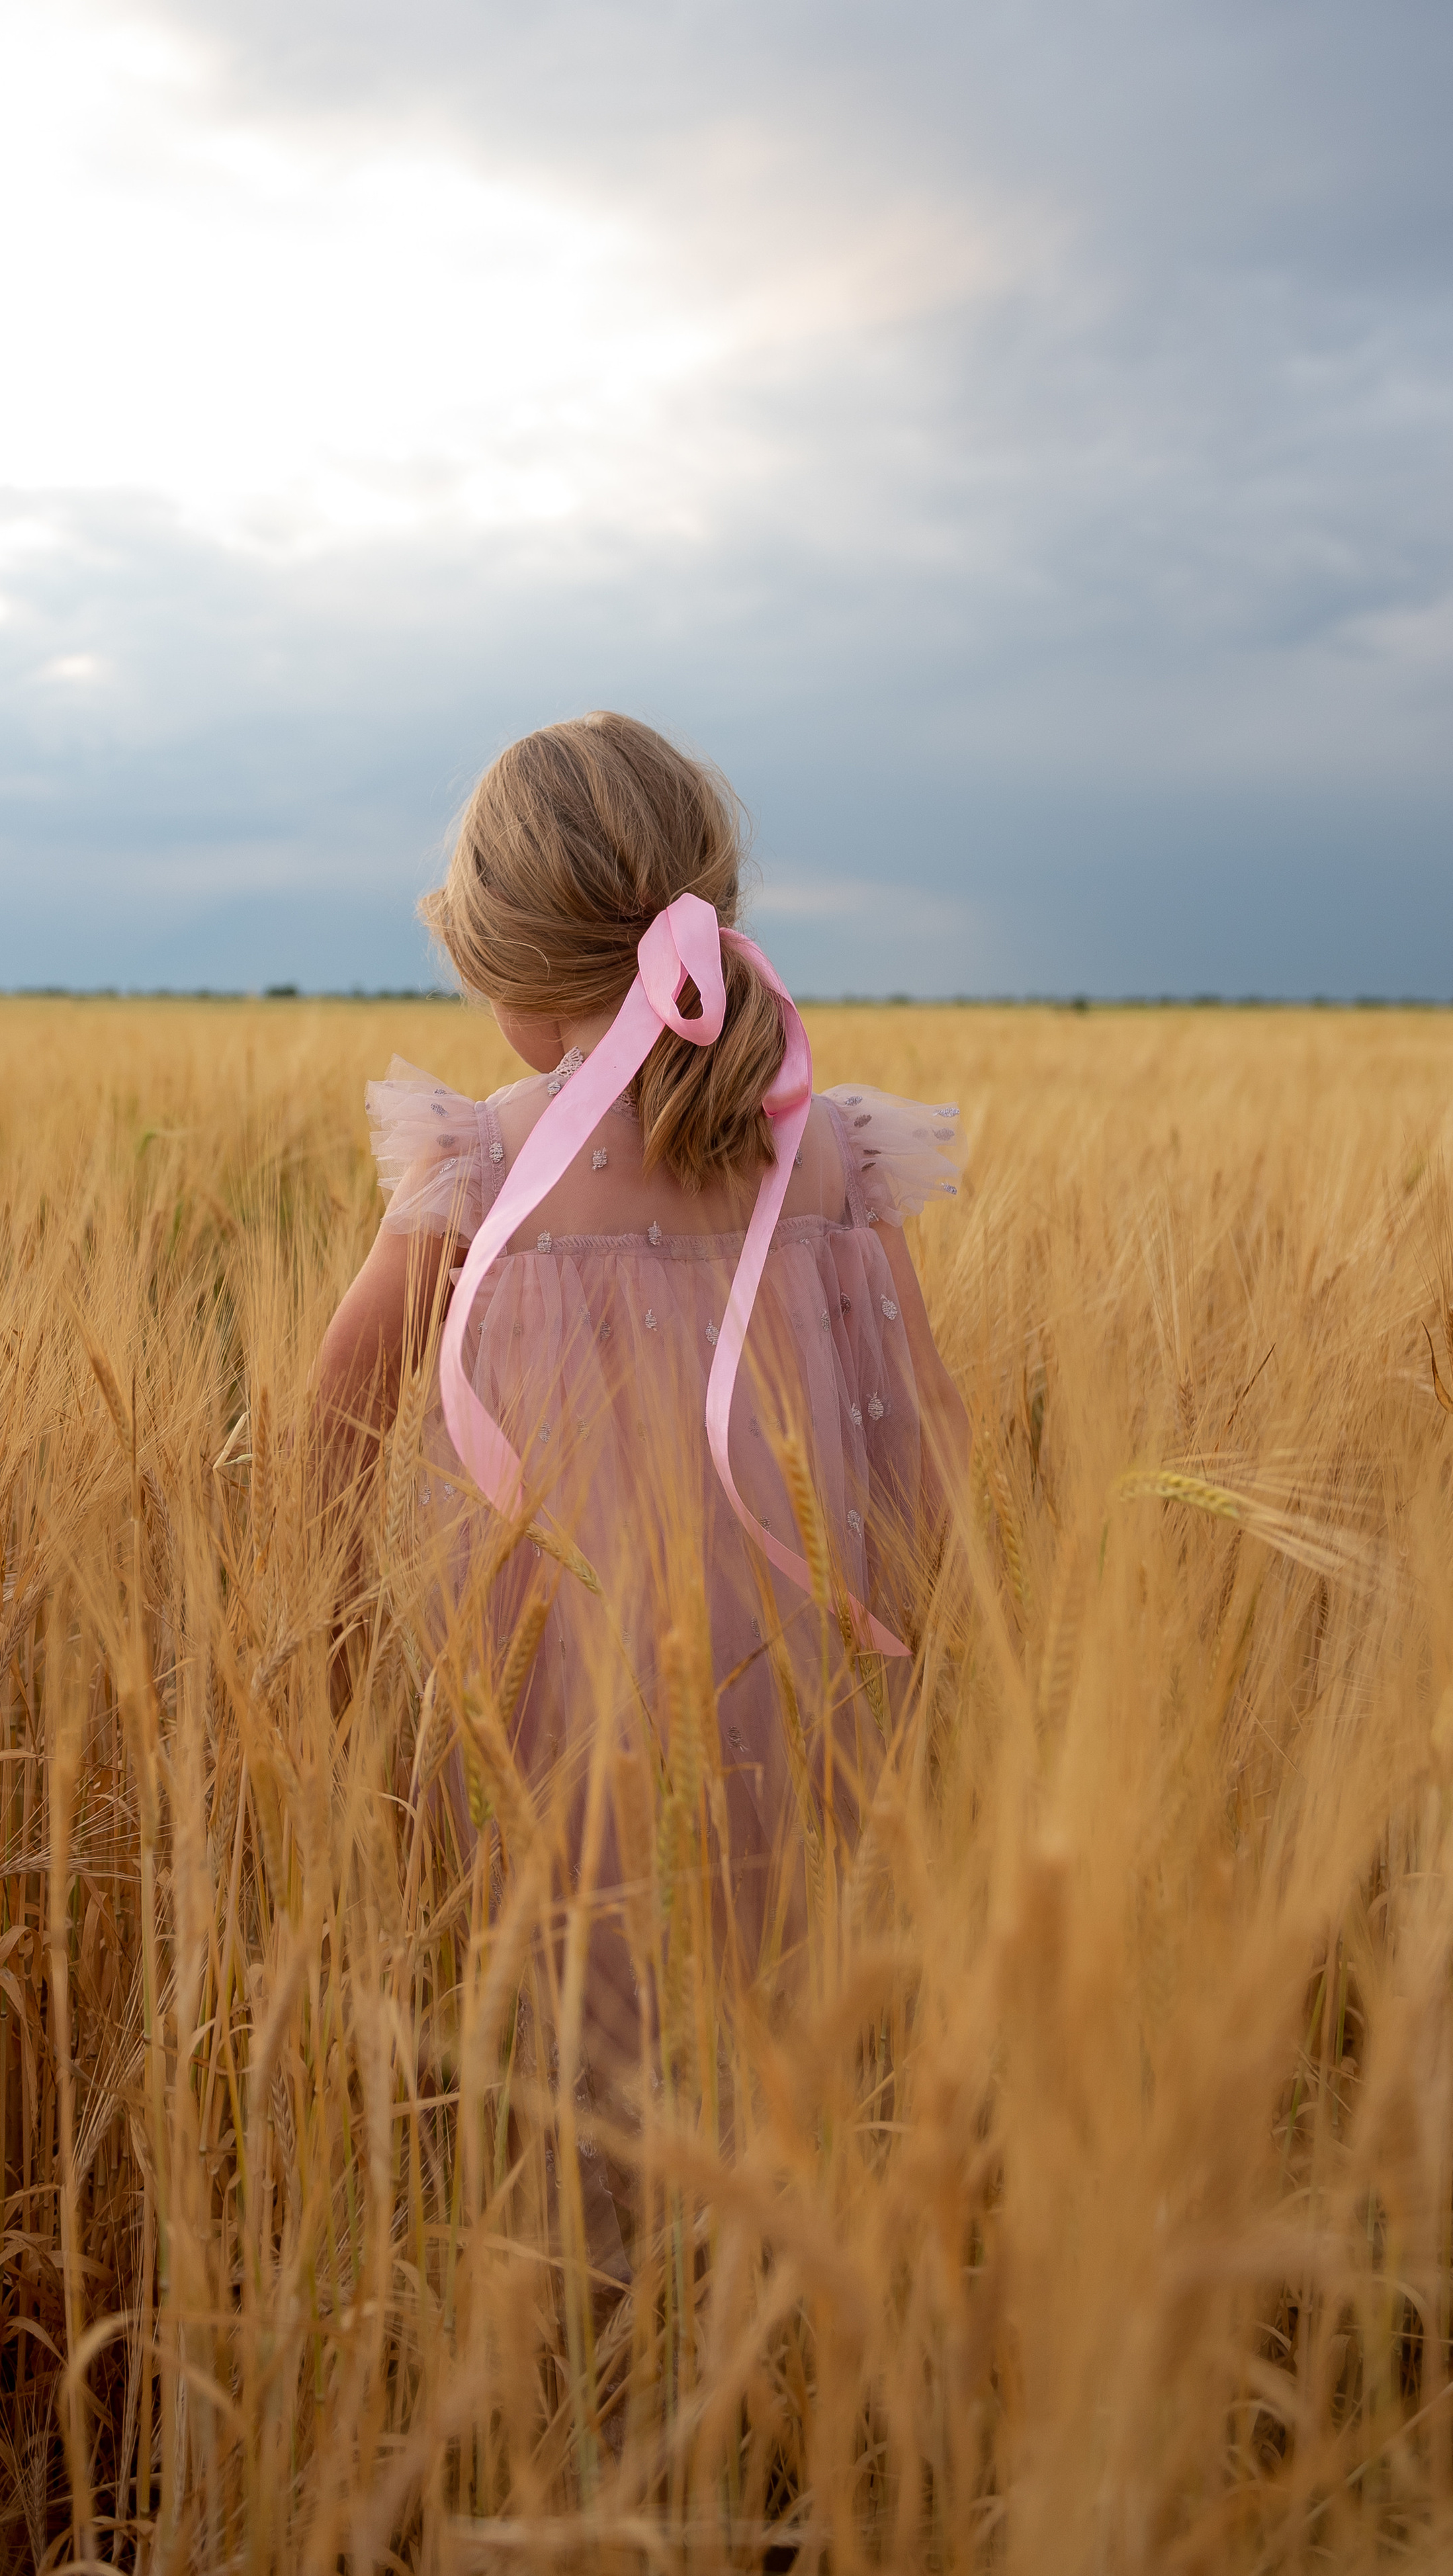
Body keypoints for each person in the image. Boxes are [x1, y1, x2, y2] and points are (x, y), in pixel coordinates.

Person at [316, 712, 967, 2270]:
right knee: (779, 1983)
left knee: (563, 1989)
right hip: (800, 1667)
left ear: (503, 969)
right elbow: (922, 1425)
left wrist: (340, 1639)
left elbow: (341, 1406)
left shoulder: (483, 1160)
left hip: (540, 1675)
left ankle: (588, 2305)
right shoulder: (825, 1156)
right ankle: (763, 2287)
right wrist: (932, 1641)